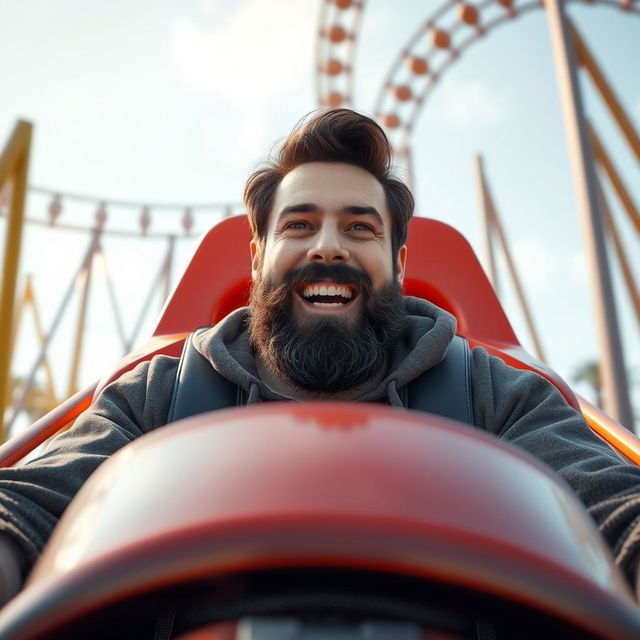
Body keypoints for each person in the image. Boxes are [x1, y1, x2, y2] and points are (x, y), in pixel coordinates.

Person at [1, 108, 640, 605]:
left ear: (398, 263)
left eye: (360, 227)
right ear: (256, 256)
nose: (328, 247)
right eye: (299, 225)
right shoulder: (158, 395)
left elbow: (614, 507)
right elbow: (27, 503)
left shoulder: (495, 394)